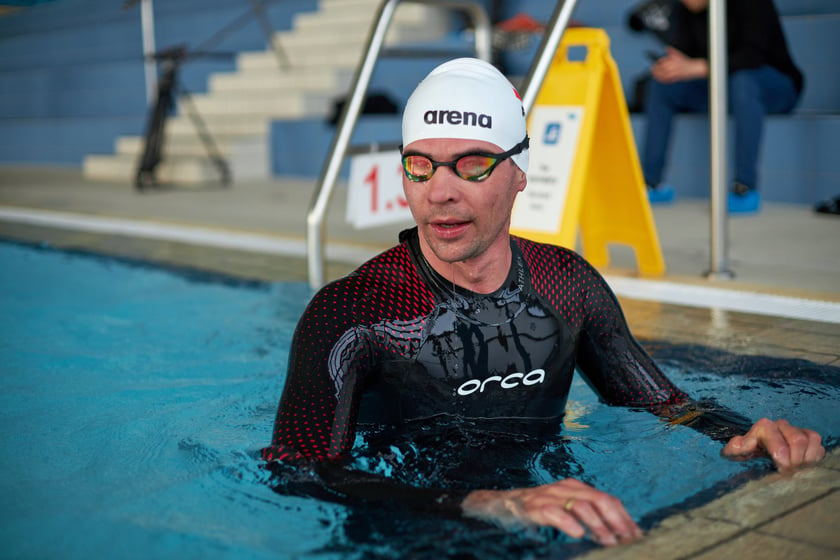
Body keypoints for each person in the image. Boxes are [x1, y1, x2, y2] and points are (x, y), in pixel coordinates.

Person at [262, 58, 824, 547]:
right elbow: (299, 472)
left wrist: (739, 433)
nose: (440, 191)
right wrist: (484, 505)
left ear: (520, 171)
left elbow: (661, 402)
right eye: (421, 164)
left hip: (553, 502)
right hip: (401, 531)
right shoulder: (352, 313)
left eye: (473, 163)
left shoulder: (567, 283)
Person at [641, 0, 803, 213]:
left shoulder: (753, 4)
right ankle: (651, 183)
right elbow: (686, 55)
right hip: (722, 88)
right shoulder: (686, 10)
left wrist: (698, 66)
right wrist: (672, 66)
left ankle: (744, 187)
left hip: (773, 87)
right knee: (662, 86)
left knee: (743, 81)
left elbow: (751, 57)